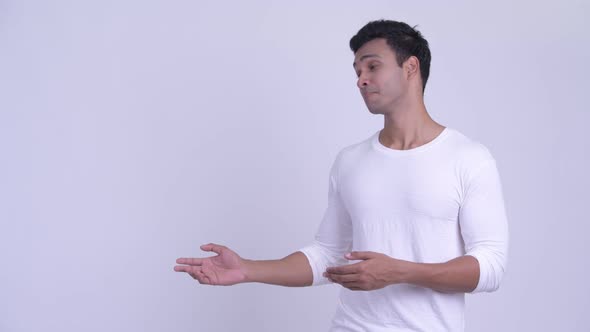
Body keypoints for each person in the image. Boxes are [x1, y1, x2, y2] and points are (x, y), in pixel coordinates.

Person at [174, 19, 509, 332]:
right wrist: (247, 269)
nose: (361, 79)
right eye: (358, 70)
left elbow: (490, 267)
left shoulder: (468, 158)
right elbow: (329, 255)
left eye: (372, 66)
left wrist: (400, 271)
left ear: (410, 67)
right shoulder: (351, 161)